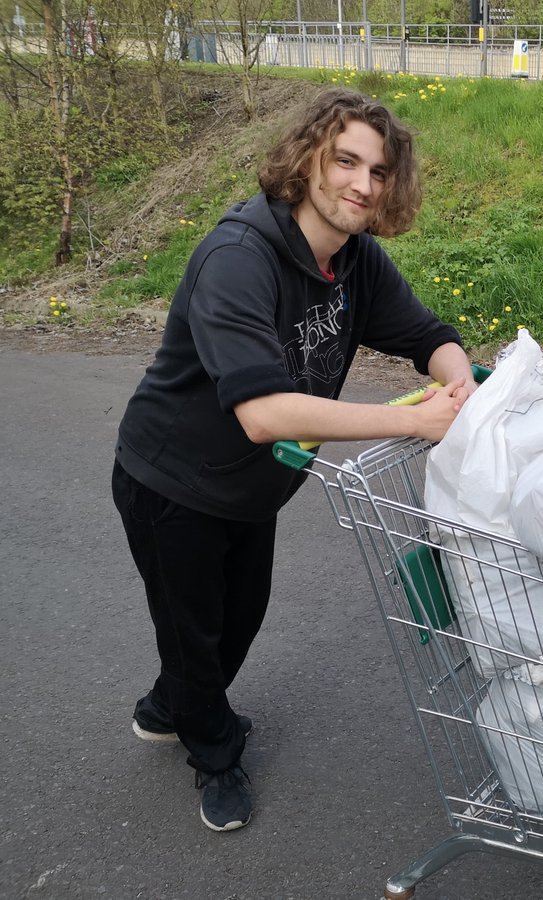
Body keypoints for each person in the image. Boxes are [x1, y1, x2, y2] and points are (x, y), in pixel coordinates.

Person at [111, 88, 476, 833]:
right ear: (307, 158)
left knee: (233, 623)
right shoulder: (238, 257)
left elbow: (423, 332)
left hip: (256, 490)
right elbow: (265, 413)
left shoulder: (354, 260)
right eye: (346, 162)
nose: (361, 186)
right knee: (197, 634)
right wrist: (411, 426)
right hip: (172, 481)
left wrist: (457, 374)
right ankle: (213, 757)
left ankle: (167, 704)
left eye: (377, 172)